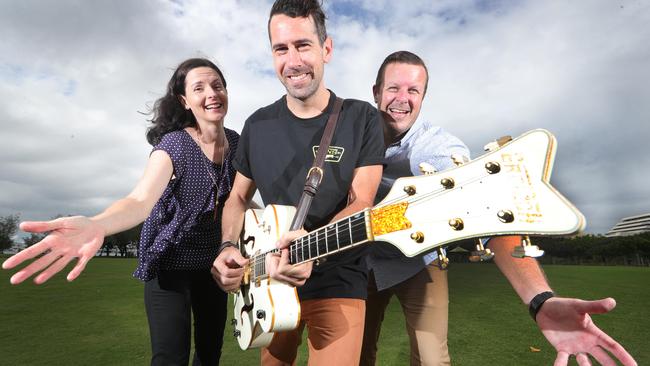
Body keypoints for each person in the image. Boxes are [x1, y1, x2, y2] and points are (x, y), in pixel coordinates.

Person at [360, 51, 638, 366]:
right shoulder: (350, 134)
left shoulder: (439, 150)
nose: (403, 98)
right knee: (356, 352)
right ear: (376, 92)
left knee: (431, 359)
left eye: (414, 90)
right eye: (394, 88)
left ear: (423, 97)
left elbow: (488, 214)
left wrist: (540, 299)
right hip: (362, 257)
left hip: (420, 263)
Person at [2, 58, 238, 366]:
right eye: (199, 88)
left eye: (217, 85)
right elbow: (140, 200)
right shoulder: (175, 145)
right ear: (185, 101)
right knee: (171, 359)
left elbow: (239, 200)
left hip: (212, 267)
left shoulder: (237, 144)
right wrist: (97, 224)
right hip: (169, 266)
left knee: (209, 355)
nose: (212, 94)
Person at [210, 0, 384, 365]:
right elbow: (237, 199)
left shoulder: (361, 118)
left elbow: (362, 201)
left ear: (327, 48)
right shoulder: (257, 126)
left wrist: (312, 248)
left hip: (339, 279)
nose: (293, 61)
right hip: (269, 285)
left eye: (303, 45)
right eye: (281, 49)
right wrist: (227, 246)